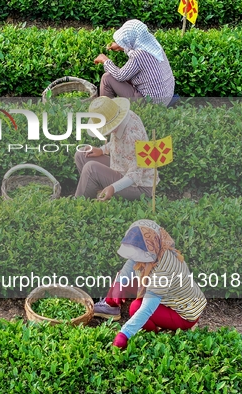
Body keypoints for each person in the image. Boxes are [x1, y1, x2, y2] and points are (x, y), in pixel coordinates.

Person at [93, 219, 207, 350]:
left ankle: (155, 330)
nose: (135, 257)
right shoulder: (157, 249)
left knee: (136, 307)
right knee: (123, 278)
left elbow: (146, 309)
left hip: (184, 314)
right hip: (170, 296)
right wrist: (119, 285)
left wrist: (124, 334)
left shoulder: (164, 270)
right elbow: (131, 264)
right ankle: (110, 306)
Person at [74, 96, 157, 201]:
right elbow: (118, 145)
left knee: (91, 169)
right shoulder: (122, 117)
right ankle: (96, 191)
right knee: (81, 155)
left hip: (139, 186)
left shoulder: (131, 136)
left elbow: (135, 174)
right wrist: (102, 150)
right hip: (121, 167)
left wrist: (113, 188)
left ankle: (79, 203)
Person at [93, 19, 175, 106]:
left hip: (151, 103)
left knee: (107, 78)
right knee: (127, 75)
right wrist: (122, 46)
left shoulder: (138, 55)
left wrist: (105, 61)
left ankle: (107, 112)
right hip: (167, 96)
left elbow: (120, 76)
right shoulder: (153, 45)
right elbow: (136, 51)